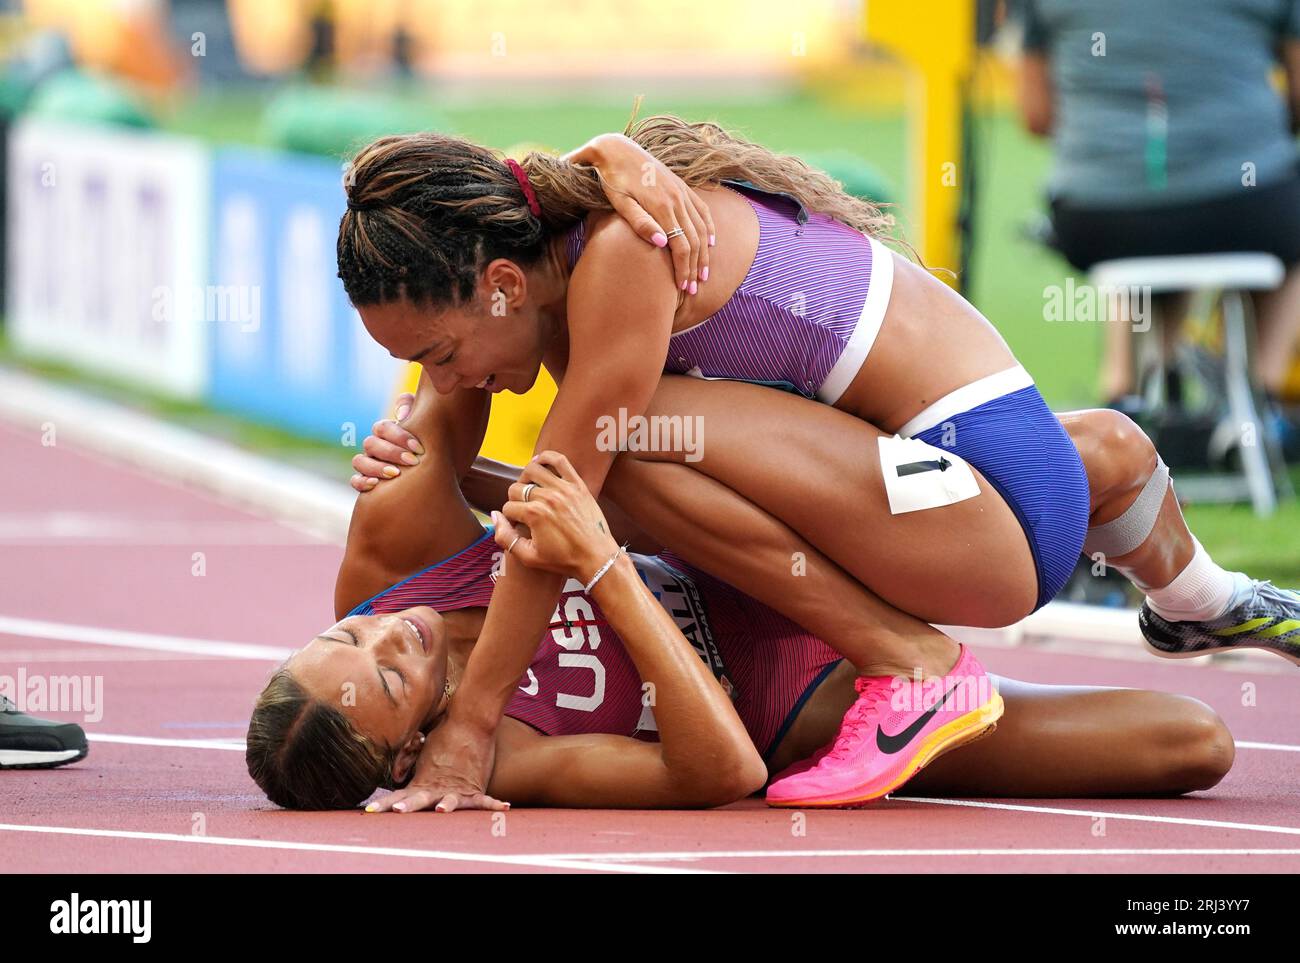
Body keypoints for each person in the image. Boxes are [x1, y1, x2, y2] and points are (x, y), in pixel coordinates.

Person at [334, 117, 1299, 810]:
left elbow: (565, 501)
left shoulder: (619, 257)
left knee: (602, 459)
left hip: (986, 499)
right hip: (994, 467)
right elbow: (543, 478)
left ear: (503, 282)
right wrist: (457, 470)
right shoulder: (569, 249)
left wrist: (468, 727)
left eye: (438, 355)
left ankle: (910, 666)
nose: (445, 384)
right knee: (1192, 739)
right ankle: (1195, 590)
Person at [245, 379, 1234, 811]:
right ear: (412, 748)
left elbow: (462, 337)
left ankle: (1203, 597)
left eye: (351, 628)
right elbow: (718, 768)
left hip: (761, 548)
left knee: (1104, 450)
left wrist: (408, 422)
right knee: (1190, 743)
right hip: (810, 705)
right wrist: (599, 567)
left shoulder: (391, 558)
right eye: (389, 672)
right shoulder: (500, 759)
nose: (397, 632)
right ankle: (909, 671)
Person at [1018, 0, 1300, 429]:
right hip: (1245, 208)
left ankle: (1124, 392)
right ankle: (1262, 403)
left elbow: (1036, 115)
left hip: (1097, 217)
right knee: (1247, 217)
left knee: (1148, 213)